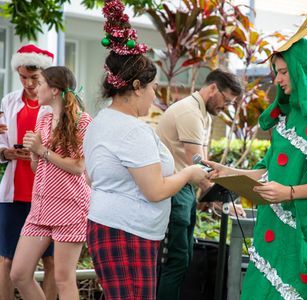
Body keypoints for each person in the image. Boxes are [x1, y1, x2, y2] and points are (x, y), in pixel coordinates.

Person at [205, 22, 307, 300]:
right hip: (274, 226)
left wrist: (287, 192)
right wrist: (226, 171)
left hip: (305, 230)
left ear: (302, 69)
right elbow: (268, 169)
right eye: (277, 72)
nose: (278, 80)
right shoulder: (285, 117)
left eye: (284, 72)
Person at [83, 1, 207, 299]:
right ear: (137, 86)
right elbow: (155, 190)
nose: (155, 95)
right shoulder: (131, 130)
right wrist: (190, 172)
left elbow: (92, 177)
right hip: (127, 233)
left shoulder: (101, 121)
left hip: (114, 228)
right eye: (153, 88)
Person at [156, 69, 243, 300]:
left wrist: (215, 194)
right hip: (175, 191)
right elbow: (197, 162)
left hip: (183, 189)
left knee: (182, 260)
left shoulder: (200, 112)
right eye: (225, 100)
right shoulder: (189, 112)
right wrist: (220, 197)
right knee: (176, 261)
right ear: (213, 88)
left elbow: (203, 167)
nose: (225, 107)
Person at [10, 66, 92, 300]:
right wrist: (34, 153)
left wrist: (41, 150)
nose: (35, 86)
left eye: (41, 82)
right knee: (19, 274)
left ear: (54, 90)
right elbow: (38, 169)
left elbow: (78, 167)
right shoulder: (44, 120)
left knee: (63, 280)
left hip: (70, 207)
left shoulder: (83, 121)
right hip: (40, 207)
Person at [0, 44, 57, 300]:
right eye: (23, 76)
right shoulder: (8, 101)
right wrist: (6, 153)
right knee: (5, 261)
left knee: (52, 262)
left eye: (34, 78)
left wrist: (40, 150)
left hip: (48, 195)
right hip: (15, 192)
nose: (28, 83)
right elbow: (1, 141)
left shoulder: (56, 106)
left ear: (45, 75)